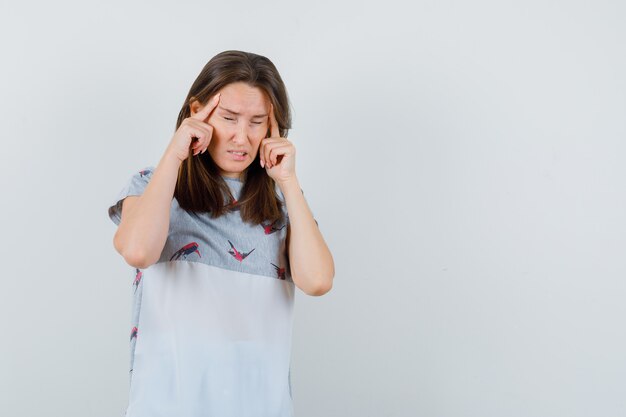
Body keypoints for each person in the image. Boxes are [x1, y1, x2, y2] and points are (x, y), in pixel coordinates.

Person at [107, 50, 335, 417]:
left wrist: (289, 182)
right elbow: (136, 250)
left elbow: (318, 281)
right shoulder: (155, 185)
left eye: (257, 122)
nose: (241, 137)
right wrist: (174, 154)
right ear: (197, 111)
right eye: (229, 118)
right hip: (168, 406)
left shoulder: (282, 204)